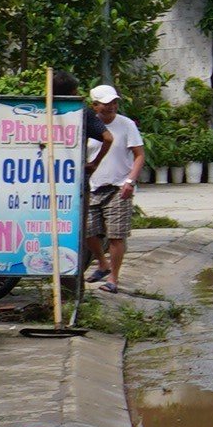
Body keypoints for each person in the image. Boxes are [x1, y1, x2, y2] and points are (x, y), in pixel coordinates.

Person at [82, 81, 144, 293]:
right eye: (106, 104)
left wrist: (130, 181)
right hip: (93, 186)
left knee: (117, 235)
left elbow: (139, 155)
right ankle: (102, 263)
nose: (111, 107)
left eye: (114, 103)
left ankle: (113, 280)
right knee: (89, 231)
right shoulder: (88, 124)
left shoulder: (126, 124)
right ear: (95, 105)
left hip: (118, 186)